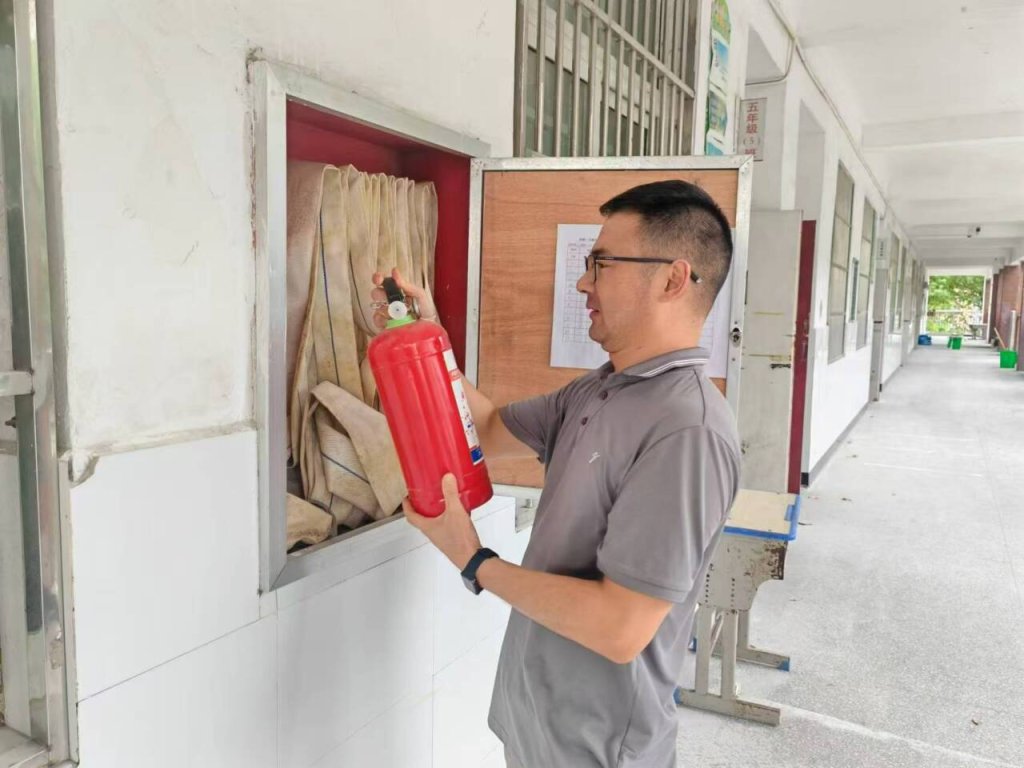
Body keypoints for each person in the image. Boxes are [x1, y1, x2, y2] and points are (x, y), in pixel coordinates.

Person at [372, 180, 740, 768]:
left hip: (597, 749)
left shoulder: (686, 431)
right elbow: (485, 428)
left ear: (673, 279)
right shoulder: (598, 390)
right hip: (538, 725)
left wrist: (474, 559)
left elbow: (620, 627)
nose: (582, 283)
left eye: (601, 264)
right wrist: (428, 342)